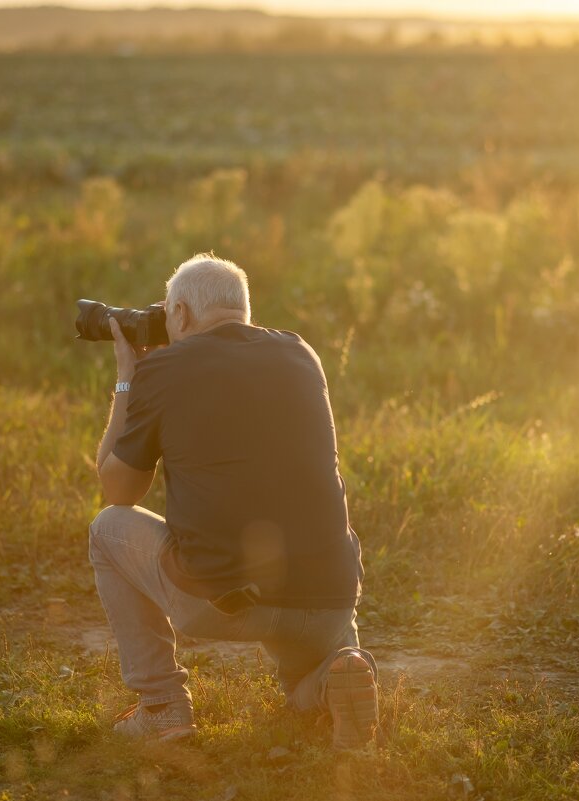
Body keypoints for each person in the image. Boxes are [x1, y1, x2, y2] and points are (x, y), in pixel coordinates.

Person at [89, 253, 378, 749]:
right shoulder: (300, 354)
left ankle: (161, 706)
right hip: (327, 594)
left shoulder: (164, 368)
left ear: (178, 315)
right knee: (304, 687)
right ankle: (337, 677)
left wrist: (127, 376)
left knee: (108, 528)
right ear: (245, 310)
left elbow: (119, 489)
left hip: (223, 599)